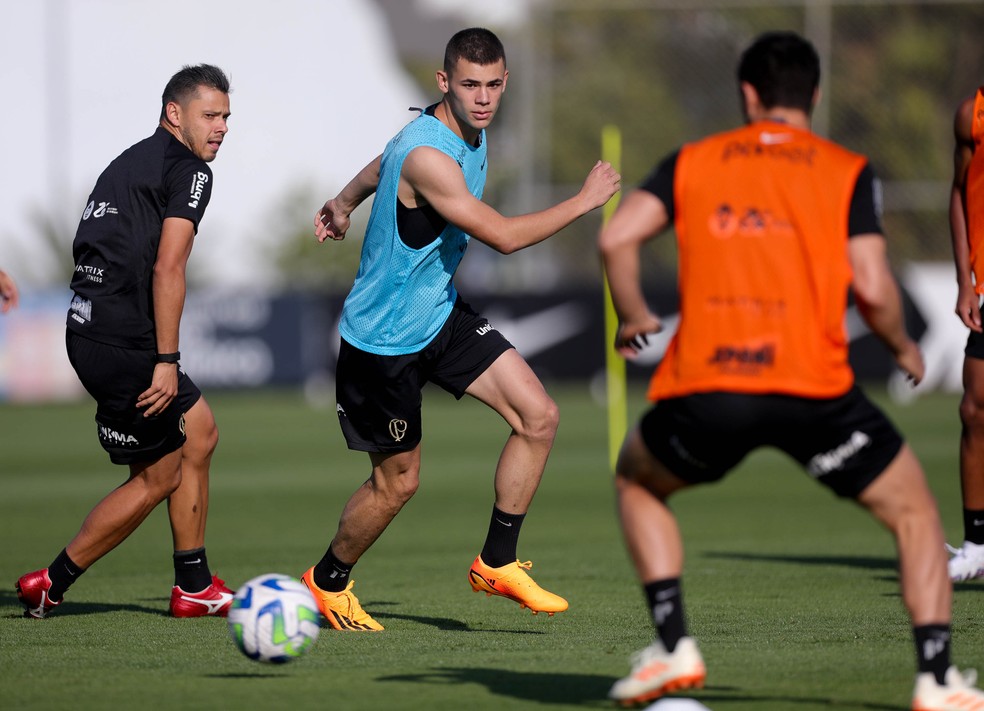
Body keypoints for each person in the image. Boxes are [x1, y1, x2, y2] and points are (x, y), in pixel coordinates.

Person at [598, 31, 984, 710]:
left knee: (637, 480)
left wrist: (631, 312)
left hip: (710, 389)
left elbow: (615, 235)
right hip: (815, 393)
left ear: (747, 94)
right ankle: (937, 680)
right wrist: (899, 345)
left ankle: (673, 647)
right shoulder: (845, 168)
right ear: (816, 94)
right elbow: (872, 282)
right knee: (916, 513)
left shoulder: (694, 161)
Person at [303, 27, 620, 631]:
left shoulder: (454, 132)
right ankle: (326, 581)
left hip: (439, 315)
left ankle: (496, 561)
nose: (482, 98)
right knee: (397, 485)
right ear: (444, 83)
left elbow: (380, 162)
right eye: (470, 85)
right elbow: (500, 237)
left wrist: (343, 202)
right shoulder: (428, 154)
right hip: (382, 343)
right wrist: (583, 202)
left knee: (539, 417)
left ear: (505, 83)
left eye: (493, 85)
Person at [16, 64, 234, 619]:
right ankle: (52, 581)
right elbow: (169, 267)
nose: (222, 127)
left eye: (227, 116)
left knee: (200, 432)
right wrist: (166, 360)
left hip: (90, 325)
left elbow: (89, 243)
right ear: (174, 114)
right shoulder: (190, 172)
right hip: (126, 341)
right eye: (210, 115)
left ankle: (194, 584)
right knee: (158, 475)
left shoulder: (129, 161)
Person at [946, 85, 984, 583]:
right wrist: (965, 280)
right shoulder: (972, 115)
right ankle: (977, 545)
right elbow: (959, 190)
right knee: (974, 408)